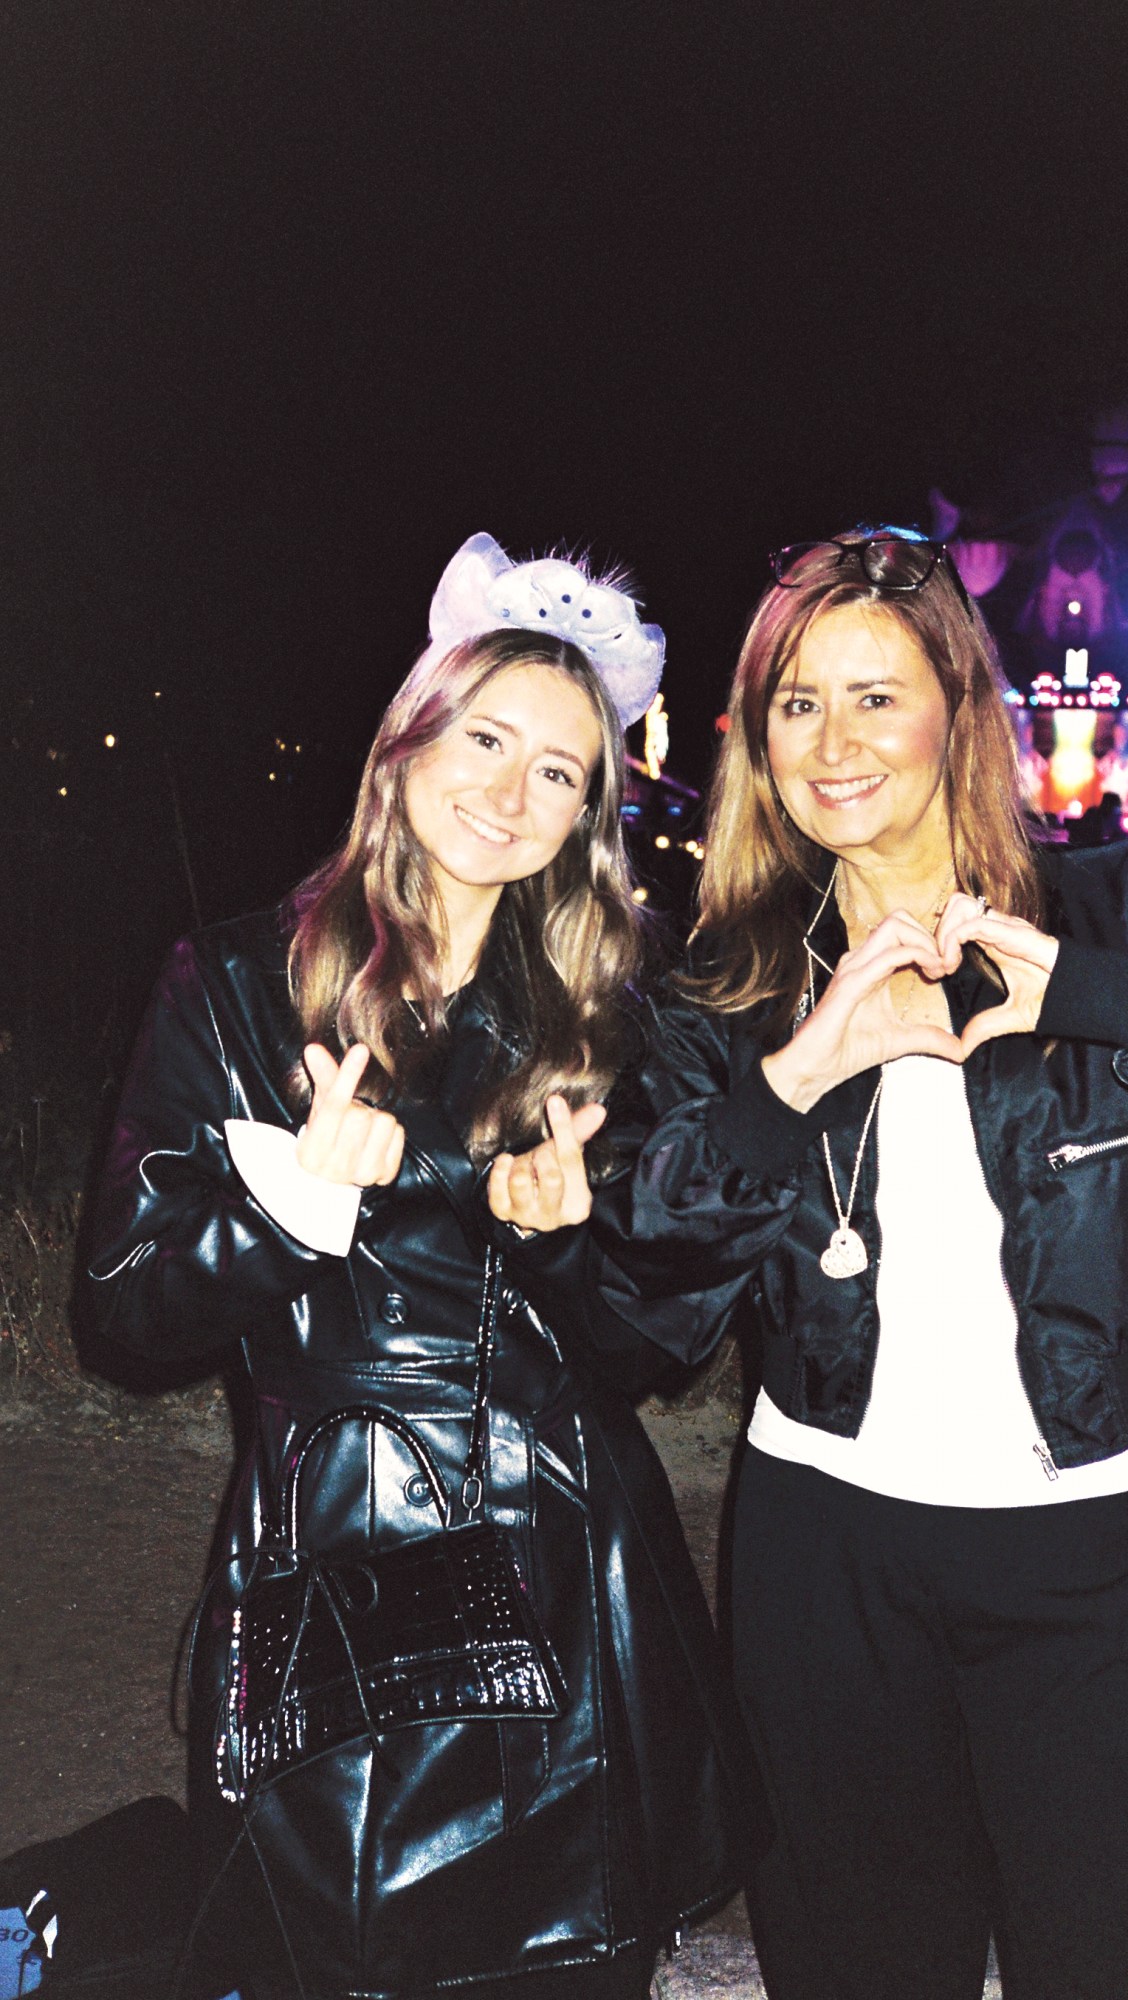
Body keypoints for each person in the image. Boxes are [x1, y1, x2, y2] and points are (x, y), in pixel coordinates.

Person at [491, 526, 1128, 2000]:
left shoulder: (1124, 907)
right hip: (827, 1557)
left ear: (958, 701)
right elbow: (636, 1324)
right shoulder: (725, 979)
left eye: (876, 695)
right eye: (796, 701)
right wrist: (792, 1081)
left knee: (1120, 1967)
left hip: (1084, 1558)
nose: (833, 743)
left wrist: (1090, 998)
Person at [83, 532, 753, 2000]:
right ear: (412, 737)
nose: (513, 791)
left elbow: (657, 1353)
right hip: (339, 1577)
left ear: (592, 813)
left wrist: (570, 1238)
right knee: (333, 1955)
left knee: (571, 1967)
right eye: (489, 737)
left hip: (574, 1590)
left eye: (562, 771)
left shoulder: (612, 1008)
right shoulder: (242, 982)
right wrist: (288, 1208)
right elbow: (125, 1313)